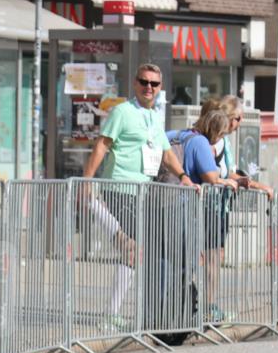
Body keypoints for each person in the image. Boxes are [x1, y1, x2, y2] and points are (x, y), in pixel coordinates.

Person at [81, 64, 193, 333]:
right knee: (134, 249)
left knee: (138, 252)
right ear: (135, 83)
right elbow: (102, 145)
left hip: (144, 193)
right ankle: (112, 315)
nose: (149, 87)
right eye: (144, 82)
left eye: (154, 84)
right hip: (120, 189)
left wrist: (184, 175)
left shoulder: (155, 116)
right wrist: (86, 180)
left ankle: (124, 313)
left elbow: (166, 153)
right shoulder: (122, 112)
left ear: (160, 87)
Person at [167, 110, 238, 322]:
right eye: (222, 134)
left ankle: (170, 311)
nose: (221, 138)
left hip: (161, 201)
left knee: (167, 262)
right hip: (184, 207)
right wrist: (226, 181)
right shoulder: (200, 143)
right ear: (215, 131)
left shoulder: (175, 135)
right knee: (185, 264)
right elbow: (211, 176)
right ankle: (186, 314)